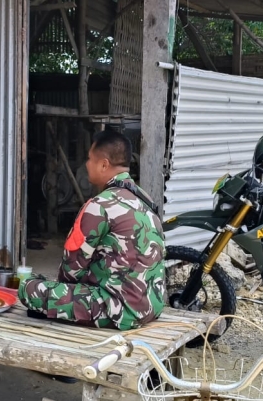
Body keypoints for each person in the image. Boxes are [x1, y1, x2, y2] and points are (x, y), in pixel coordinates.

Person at [20, 130, 166, 330]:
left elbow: (70, 271)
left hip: (119, 311)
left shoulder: (99, 205)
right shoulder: (145, 200)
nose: (87, 164)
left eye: (89, 159)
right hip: (152, 307)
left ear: (104, 165)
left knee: (30, 288)